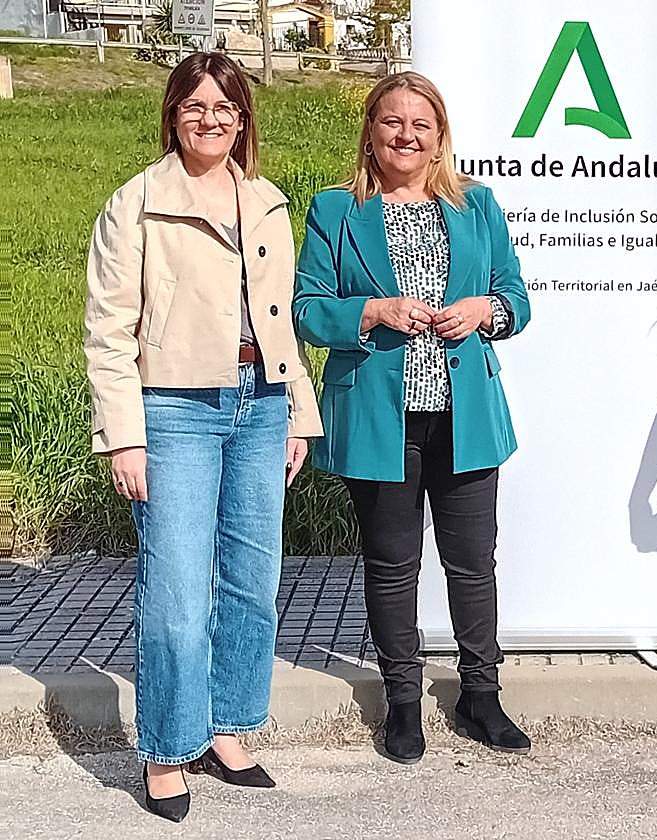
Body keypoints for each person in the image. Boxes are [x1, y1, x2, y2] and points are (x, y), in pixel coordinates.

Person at [83, 53, 323, 821]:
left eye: (225, 107)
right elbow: (108, 331)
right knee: (178, 591)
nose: (209, 119)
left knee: (252, 584)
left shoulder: (267, 202)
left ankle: (227, 729)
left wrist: (298, 411)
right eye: (194, 107)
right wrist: (124, 436)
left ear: (244, 118)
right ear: (172, 115)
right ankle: (165, 747)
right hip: (174, 411)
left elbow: (279, 318)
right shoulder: (138, 203)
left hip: (260, 405)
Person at [293, 72, 531, 764]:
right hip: (379, 416)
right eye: (392, 121)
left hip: (465, 414)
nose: (406, 134)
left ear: (439, 136)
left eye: (421, 124)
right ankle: (402, 701)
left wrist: (487, 311)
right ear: (370, 130)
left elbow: (515, 294)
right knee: (392, 566)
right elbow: (306, 310)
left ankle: (480, 695)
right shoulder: (336, 210)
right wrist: (371, 311)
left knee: (472, 565)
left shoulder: (477, 206)